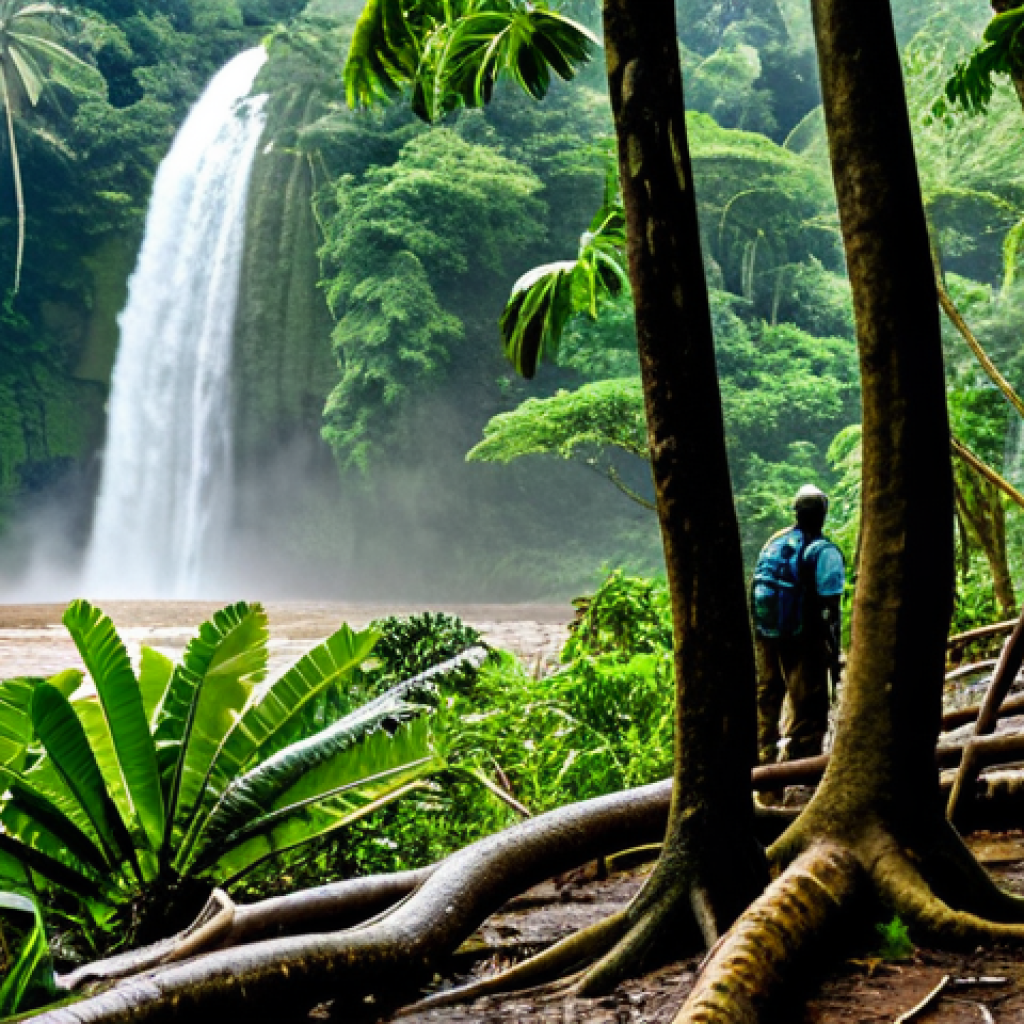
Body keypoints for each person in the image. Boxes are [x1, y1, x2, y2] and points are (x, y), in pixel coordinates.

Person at [751, 484, 845, 769]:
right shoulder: (822, 551)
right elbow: (830, 601)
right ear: (822, 513)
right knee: (808, 704)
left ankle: (765, 758)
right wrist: (831, 647)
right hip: (804, 636)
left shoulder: (775, 542)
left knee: (769, 694)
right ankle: (801, 767)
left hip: (766, 632)